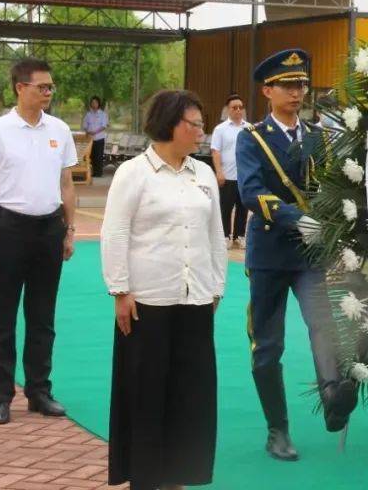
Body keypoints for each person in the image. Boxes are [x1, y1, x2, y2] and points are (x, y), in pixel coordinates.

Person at [102, 90, 228, 489]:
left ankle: (180, 475)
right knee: (146, 392)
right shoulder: (134, 173)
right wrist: (120, 290)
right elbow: (115, 232)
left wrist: (215, 289)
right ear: (171, 124)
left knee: (190, 395)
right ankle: (146, 477)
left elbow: (216, 236)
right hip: (147, 301)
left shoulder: (203, 174)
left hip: (195, 300)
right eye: (195, 124)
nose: (201, 132)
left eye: (202, 125)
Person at [236, 49, 356, 461]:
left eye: (301, 85)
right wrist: (294, 217)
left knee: (324, 326)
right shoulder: (251, 137)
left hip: (310, 253)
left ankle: (333, 399)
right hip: (270, 253)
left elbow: (334, 187)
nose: (296, 92)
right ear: (267, 90)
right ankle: (277, 431)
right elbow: (251, 191)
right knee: (268, 343)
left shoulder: (319, 136)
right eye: (288, 85)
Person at [0, 58, 78, 425]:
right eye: (42, 87)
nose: (48, 92)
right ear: (21, 87)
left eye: (51, 87)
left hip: (49, 230)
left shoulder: (60, 130)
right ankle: (1, 395)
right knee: (2, 318)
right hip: (10, 230)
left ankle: (39, 391)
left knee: (42, 317)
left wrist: (69, 230)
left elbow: (67, 185)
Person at [210, 94, 249, 248]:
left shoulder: (249, 128)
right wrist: (219, 171)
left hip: (244, 176)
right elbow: (216, 151)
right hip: (227, 175)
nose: (238, 110)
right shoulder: (220, 129)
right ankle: (225, 235)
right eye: (234, 107)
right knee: (225, 208)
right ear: (228, 110)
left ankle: (240, 235)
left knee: (243, 208)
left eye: (241, 107)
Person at [82, 96, 109, 179]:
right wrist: (88, 131)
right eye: (93, 102)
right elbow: (85, 125)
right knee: (92, 156)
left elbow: (104, 126)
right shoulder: (88, 114)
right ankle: (94, 172)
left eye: (96, 102)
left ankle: (99, 172)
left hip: (99, 138)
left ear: (98, 104)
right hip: (90, 139)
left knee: (99, 155)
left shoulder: (103, 114)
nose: (94, 104)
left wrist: (95, 132)